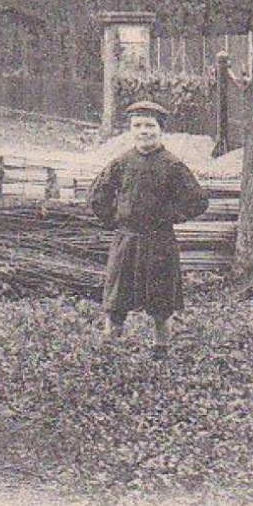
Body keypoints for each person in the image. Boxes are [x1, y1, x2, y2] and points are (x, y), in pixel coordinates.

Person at [87, 100, 210, 357]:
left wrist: (170, 216)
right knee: (117, 298)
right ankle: (110, 346)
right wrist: (116, 220)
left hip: (160, 241)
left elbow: (198, 200)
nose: (144, 131)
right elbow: (97, 196)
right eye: (138, 125)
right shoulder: (121, 162)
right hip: (127, 240)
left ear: (160, 129)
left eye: (150, 125)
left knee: (161, 299)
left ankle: (161, 348)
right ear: (131, 130)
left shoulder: (172, 165)